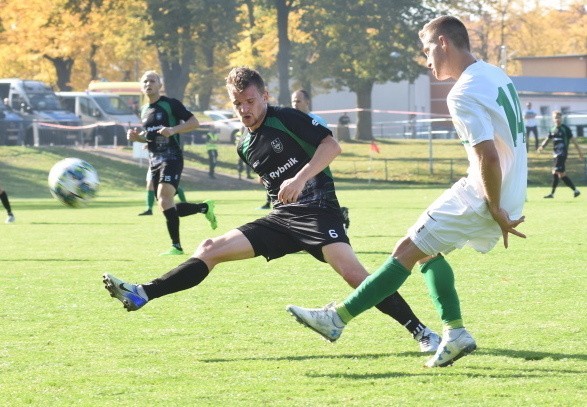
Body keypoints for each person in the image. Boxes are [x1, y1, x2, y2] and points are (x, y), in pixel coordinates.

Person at [104, 66, 441, 353]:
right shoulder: (243, 143)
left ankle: (422, 333)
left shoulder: (286, 117)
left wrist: (300, 178)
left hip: (319, 210)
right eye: (237, 104)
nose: (244, 109)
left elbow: (331, 145)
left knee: (355, 276)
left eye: (250, 101)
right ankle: (142, 294)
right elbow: (274, 184)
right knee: (209, 249)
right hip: (283, 218)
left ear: (264, 95)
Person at [286, 16, 528, 368]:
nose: (426, 59)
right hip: (501, 190)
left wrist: (494, 208)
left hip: (483, 194)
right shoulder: (494, 74)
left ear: (444, 42)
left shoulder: (462, 92)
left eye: (427, 49)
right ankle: (455, 332)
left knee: (407, 250)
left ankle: (337, 319)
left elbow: (488, 155)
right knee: (427, 252)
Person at [126, 70, 217, 255]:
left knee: (164, 197)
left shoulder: (170, 104)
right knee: (165, 204)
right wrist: (137, 138)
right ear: (141, 87)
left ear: (160, 85)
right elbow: (151, 137)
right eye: (145, 81)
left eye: (152, 80)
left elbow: (194, 122)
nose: (148, 84)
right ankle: (204, 207)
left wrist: (173, 130)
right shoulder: (144, 110)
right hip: (154, 161)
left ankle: (176, 247)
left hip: (172, 157)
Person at [291, 89, 350, 233]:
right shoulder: (289, 120)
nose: (295, 104)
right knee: (301, 203)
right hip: (297, 169)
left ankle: (339, 217)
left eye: (298, 101)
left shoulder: (317, 121)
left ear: (307, 102)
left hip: (316, 169)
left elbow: (328, 146)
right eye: (293, 101)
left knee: (320, 203)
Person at [538, 110, 583, 198]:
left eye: (559, 117)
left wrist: (580, 152)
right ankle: (573, 191)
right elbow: (548, 139)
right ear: (553, 119)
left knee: (557, 172)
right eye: (555, 117)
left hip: (562, 153)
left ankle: (555, 193)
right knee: (558, 174)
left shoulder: (565, 129)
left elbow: (574, 141)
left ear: (561, 118)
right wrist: (541, 146)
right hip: (555, 154)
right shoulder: (552, 129)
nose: (557, 119)